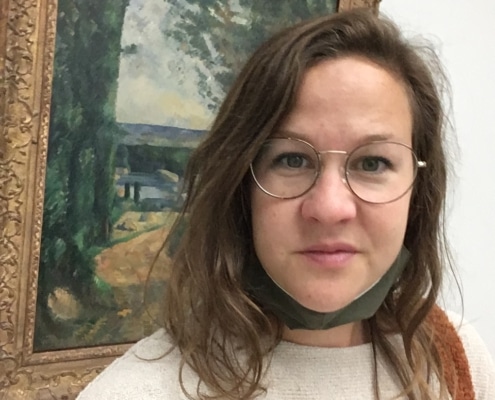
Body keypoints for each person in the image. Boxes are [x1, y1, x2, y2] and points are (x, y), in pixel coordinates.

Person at [77, 8, 495, 400]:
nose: (330, 208)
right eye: (292, 160)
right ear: (241, 186)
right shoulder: (137, 391)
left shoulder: (452, 357)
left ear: (418, 190)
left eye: (372, 163)